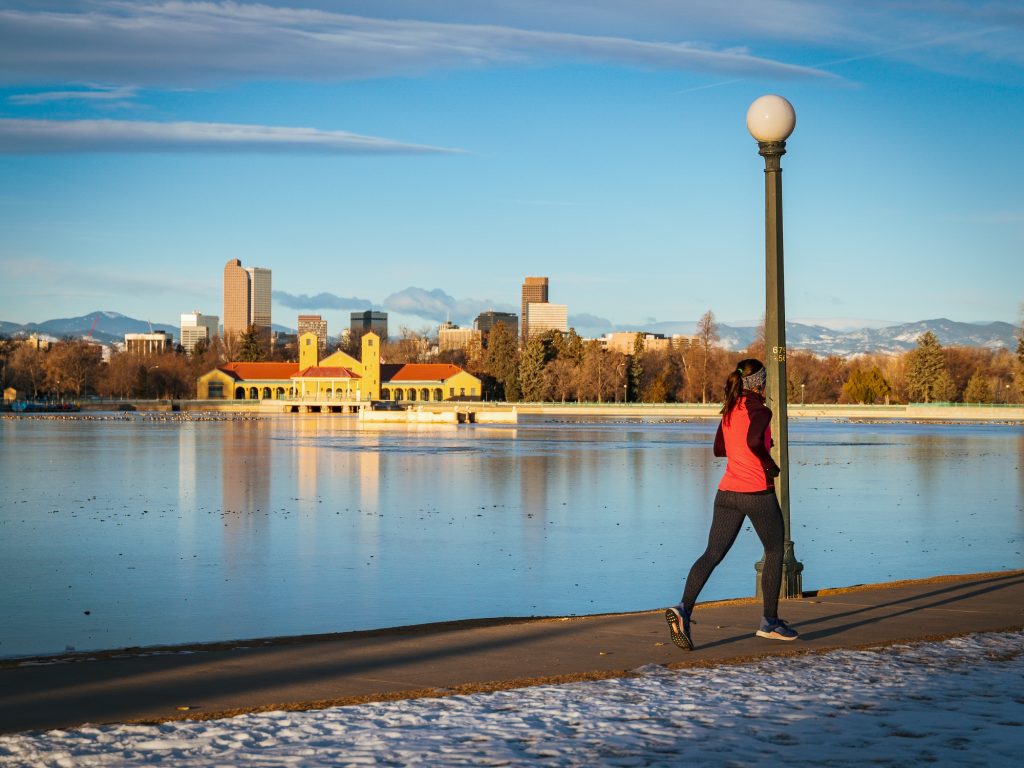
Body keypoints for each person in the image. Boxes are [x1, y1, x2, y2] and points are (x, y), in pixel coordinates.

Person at [665, 358, 798, 649]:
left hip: (727, 493)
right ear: (759, 383)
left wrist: (749, 450)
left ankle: (683, 609)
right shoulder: (761, 410)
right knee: (775, 550)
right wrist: (767, 462)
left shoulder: (729, 409)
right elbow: (752, 441)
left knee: (712, 554)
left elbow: (719, 448)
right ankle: (770, 622)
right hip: (756, 492)